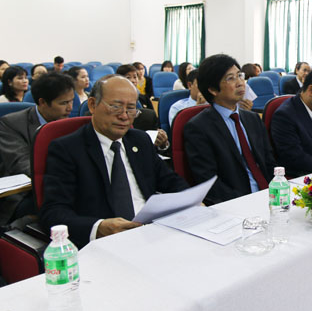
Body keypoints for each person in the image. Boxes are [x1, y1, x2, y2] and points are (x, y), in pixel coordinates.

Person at [40, 75, 188, 249]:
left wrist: (191, 200)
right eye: (116, 107)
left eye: (131, 109)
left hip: (152, 234)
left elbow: (170, 181)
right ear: (92, 105)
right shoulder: (67, 149)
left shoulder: (140, 140)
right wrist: (99, 227)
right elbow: (54, 212)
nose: (124, 116)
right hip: (104, 245)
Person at [184, 54, 275, 205]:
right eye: (230, 78)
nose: (240, 83)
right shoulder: (198, 128)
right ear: (213, 89)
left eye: (240, 75)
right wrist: (246, 203)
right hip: (236, 203)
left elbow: (269, 162)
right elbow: (209, 181)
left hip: (269, 196)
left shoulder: (252, 119)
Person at [0, 73, 74, 224]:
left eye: (72, 101)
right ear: (42, 102)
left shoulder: (69, 124)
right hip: (26, 194)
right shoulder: (10, 124)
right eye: (63, 103)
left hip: (63, 187)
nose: (70, 108)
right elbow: (23, 165)